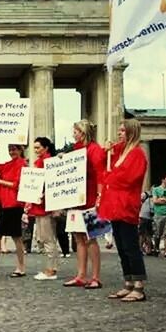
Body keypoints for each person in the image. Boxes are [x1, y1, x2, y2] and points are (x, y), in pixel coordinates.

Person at [98, 119, 149, 302]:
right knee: (121, 247)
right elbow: (102, 167)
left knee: (130, 246)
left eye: (122, 130)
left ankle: (139, 285)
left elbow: (127, 179)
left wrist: (109, 176)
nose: (119, 133)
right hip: (115, 205)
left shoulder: (137, 154)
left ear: (131, 132)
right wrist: (106, 153)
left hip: (126, 204)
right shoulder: (120, 153)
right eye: (119, 130)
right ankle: (128, 282)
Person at [63, 120, 106, 290]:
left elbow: (100, 173)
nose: (73, 134)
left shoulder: (94, 149)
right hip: (76, 198)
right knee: (78, 238)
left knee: (90, 238)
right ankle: (81, 275)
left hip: (89, 197)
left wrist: (99, 196)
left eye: (75, 131)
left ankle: (95, 277)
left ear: (82, 132)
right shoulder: (76, 149)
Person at [0, 143, 28, 277]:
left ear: (20, 150)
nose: (11, 152)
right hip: (4, 204)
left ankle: (21, 267)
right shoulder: (8, 164)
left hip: (14, 204)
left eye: (14, 149)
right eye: (9, 149)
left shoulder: (22, 164)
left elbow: (17, 185)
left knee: (16, 237)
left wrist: (0, 182)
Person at [28, 137, 61, 281]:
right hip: (39, 204)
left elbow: (52, 181)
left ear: (46, 148)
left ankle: (51, 269)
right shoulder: (41, 162)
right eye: (34, 148)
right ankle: (50, 267)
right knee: (43, 237)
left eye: (38, 148)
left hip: (45, 204)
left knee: (47, 238)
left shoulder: (48, 162)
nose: (35, 151)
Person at [152, 175, 166, 258]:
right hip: (158, 214)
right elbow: (155, 201)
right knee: (157, 234)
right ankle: (156, 249)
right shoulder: (156, 189)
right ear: (163, 180)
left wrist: (163, 199)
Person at [138, 190, 154, 256]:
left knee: (141, 234)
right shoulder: (157, 195)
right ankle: (149, 250)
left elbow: (140, 200)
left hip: (143, 216)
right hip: (150, 217)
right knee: (148, 234)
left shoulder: (145, 194)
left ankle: (140, 249)